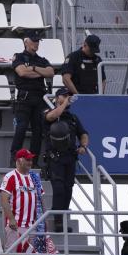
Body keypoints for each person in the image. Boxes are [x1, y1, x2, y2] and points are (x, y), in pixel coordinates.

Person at [41, 88, 88, 232]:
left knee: (68, 190)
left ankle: (63, 217)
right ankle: (58, 221)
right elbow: (52, 116)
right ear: (56, 98)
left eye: (69, 96)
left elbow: (84, 133)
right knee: (59, 189)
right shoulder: (48, 112)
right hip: (55, 158)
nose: (68, 98)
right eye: (64, 95)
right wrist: (63, 103)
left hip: (70, 158)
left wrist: (83, 146)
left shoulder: (73, 118)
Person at [0, 149, 41, 255]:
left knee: (35, 252)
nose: (30, 162)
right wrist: (11, 219)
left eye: (31, 159)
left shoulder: (34, 177)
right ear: (19, 160)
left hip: (32, 224)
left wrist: (41, 220)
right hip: (16, 223)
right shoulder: (10, 176)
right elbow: (4, 200)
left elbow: (40, 200)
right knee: (10, 251)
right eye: (27, 159)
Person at [10, 31, 53, 159]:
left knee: (38, 130)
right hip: (25, 97)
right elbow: (22, 72)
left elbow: (50, 73)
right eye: (34, 41)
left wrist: (33, 69)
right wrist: (40, 72)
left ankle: (33, 159)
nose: (36, 43)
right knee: (21, 128)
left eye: (38, 41)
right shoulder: (18, 57)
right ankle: (15, 157)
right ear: (26, 42)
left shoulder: (42, 59)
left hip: (40, 98)